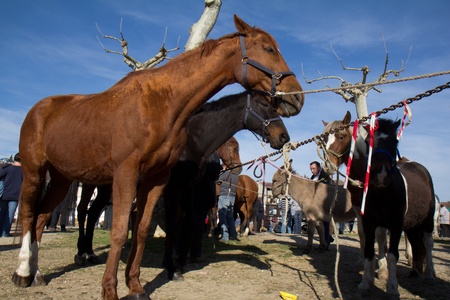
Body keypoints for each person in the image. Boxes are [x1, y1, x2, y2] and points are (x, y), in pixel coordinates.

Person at [310, 161, 334, 247]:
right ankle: (326, 239)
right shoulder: (313, 176)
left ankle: (326, 242)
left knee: (325, 222)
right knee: (319, 223)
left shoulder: (325, 175)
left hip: (324, 202)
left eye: (314, 169)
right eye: (311, 169)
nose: (312, 171)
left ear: (319, 167)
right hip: (316, 203)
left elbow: (326, 187)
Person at [0, 153, 23, 237]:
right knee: (10, 214)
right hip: (15, 195)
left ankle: (0, 231)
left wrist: (6, 164)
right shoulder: (24, 171)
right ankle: (5, 232)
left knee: (2, 213)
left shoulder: (9, 168)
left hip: (5, 193)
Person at [216, 164, 239, 242]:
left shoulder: (225, 173)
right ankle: (233, 235)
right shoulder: (236, 176)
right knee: (230, 218)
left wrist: (222, 171)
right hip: (232, 197)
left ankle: (225, 236)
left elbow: (217, 180)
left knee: (222, 217)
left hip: (224, 196)